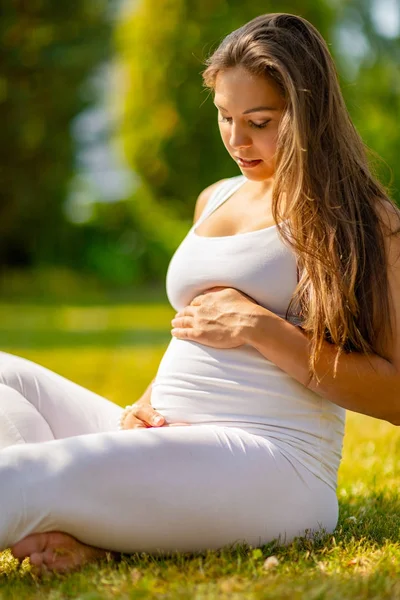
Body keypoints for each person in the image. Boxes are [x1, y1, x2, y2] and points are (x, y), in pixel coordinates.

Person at [1, 12, 399, 575]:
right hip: (166, 438)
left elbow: (396, 394)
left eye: (260, 121)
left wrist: (262, 329)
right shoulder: (215, 197)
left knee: (21, 477)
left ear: (309, 115)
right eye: (225, 116)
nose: (238, 140)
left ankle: (74, 505)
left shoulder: (363, 222)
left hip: (269, 463)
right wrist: (148, 400)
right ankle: (89, 524)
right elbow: (195, 331)